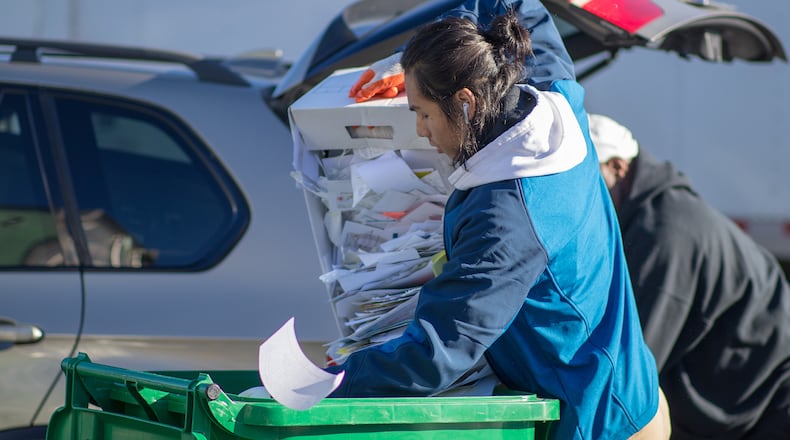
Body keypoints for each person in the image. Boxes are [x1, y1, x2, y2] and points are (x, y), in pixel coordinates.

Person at [324, 7, 671, 440]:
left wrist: (332, 380)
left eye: (424, 113)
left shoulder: (509, 215)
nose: (420, 130)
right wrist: (418, 60)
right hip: (634, 393)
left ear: (466, 102)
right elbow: (523, 6)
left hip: (600, 421)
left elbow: (441, 349)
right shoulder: (554, 95)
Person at [589, 113, 790, 439]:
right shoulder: (645, 216)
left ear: (618, 168)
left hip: (766, 410)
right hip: (735, 405)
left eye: (589, 179)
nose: (582, 194)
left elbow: (632, 364)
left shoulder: (666, 230)